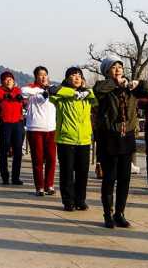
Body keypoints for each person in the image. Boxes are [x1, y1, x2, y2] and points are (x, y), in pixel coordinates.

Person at [94, 56, 148, 229]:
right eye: (113, 67)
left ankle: (120, 213)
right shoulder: (104, 87)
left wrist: (135, 83)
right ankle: (108, 213)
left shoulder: (130, 89)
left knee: (124, 178)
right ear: (106, 71)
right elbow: (98, 89)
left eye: (120, 66)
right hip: (109, 136)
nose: (118, 69)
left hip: (126, 136)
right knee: (110, 178)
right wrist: (117, 83)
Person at [50, 66, 97, 211]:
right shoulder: (60, 95)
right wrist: (73, 93)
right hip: (66, 139)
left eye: (79, 75)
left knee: (83, 173)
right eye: (73, 75)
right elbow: (51, 90)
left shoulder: (87, 95)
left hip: (84, 139)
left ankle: (80, 200)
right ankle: (68, 201)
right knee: (67, 172)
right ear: (67, 79)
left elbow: (97, 96)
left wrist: (83, 92)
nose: (77, 78)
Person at [21, 66, 57, 196]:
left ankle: (49, 185)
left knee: (52, 159)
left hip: (51, 129)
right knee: (38, 159)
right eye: (40, 75)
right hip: (35, 128)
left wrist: (49, 90)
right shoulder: (31, 89)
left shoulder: (53, 88)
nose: (43, 77)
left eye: (45, 74)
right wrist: (40, 91)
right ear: (36, 77)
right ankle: (39, 187)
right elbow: (23, 91)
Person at [0, 71, 25, 185]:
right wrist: (4, 95)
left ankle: (15, 177)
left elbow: (26, 100)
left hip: (18, 123)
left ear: (14, 81)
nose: (8, 81)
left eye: (10, 79)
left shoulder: (18, 90)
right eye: (6, 79)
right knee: (3, 151)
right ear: (2, 82)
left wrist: (22, 98)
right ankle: (5, 176)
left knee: (18, 151)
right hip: (5, 124)